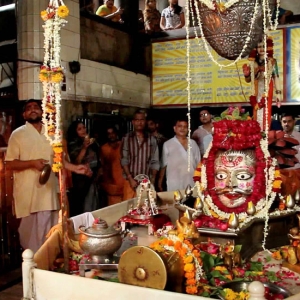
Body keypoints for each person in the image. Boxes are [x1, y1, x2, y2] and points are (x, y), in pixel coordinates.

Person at [5, 100, 88, 252]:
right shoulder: (17, 134)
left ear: (42, 112)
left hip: (48, 192)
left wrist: (76, 168)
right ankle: (33, 268)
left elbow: (58, 161)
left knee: (49, 236)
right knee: (28, 239)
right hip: (28, 193)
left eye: (36, 107)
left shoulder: (51, 134)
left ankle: (47, 268)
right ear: (24, 114)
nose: (33, 110)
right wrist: (32, 163)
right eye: (29, 108)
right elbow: (9, 164)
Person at [242, 37, 282, 128]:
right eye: (259, 46)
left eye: (264, 46)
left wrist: (278, 94)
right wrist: (247, 74)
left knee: (266, 109)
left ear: (268, 47)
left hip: (267, 87)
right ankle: (257, 131)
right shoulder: (252, 62)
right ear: (256, 48)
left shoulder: (272, 61)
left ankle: (265, 131)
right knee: (256, 108)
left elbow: (276, 77)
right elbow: (248, 80)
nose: (261, 48)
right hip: (256, 88)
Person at [121, 110, 160, 200]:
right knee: (129, 209)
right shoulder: (127, 138)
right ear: (133, 122)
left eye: (142, 120)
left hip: (146, 182)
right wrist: (130, 178)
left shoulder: (152, 139)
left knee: (145, 208)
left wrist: (153, 180)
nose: (139, 122)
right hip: (129, 182)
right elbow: (124, 160)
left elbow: (155, 162)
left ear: (145, 121)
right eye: (137, 120)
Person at [67, 121, 101, 216]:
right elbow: (76, 162)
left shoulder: (92, 142)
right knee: (82, 204)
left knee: (93, 203)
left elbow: (98, 158)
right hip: (81, 179)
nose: (83, 131)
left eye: (84, 128)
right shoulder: (73, 144)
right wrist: (84, 147)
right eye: (79, 129)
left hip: (93, 176)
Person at [158, 117, 200, 192]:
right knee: (175, 201)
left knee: (192, 202)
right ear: (174, 128)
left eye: (185, 127)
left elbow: (199, 163)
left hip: (191, 180)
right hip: (174, 181)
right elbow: (163, 165)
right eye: (180, 126)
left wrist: (201, 180)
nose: (182, 129)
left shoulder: (193, 143)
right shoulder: (168, 144)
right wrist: (160, 182)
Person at [99, 126, 125, 205]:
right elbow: (102, 166)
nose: (111, 135)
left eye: (113, 133)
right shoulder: (104, 148)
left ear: (116, 134)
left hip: (124, 181)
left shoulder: (123, 145)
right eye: (109, 134)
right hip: (111, 184)